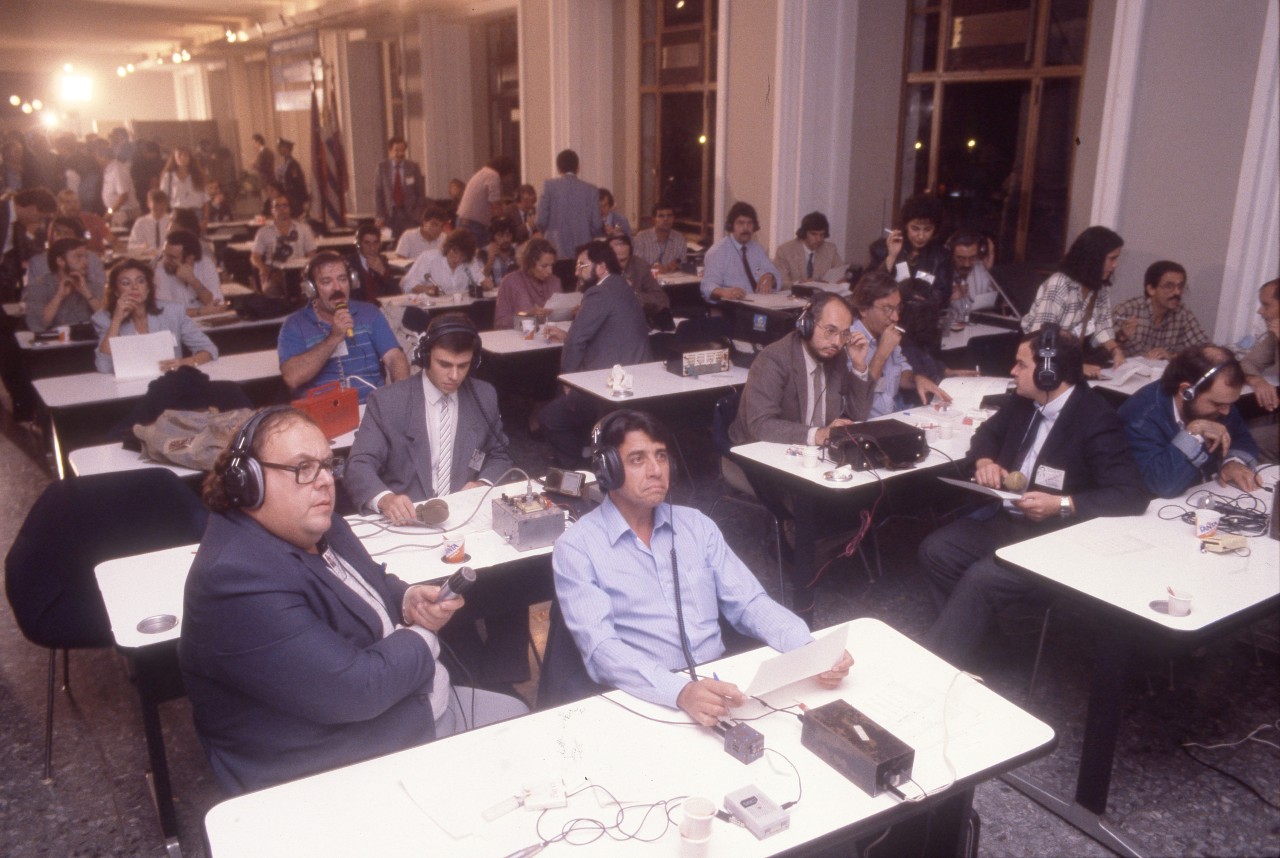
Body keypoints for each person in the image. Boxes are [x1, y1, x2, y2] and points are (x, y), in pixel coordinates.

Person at [180, 406, 527, 795]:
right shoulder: (236, 580)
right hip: (332, 765)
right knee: (517, 752)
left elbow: (375, 580)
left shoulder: (322, 525)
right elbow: (359, 690)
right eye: (303, 468)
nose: (326, 481)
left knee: (522, 725)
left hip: (402, 708)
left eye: (328, 465)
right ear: (250, 480)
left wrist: (408, 598)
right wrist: (422, 635)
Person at [553, 410, 852, 722]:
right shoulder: (576, 548)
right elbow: (601, 649)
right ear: (608, 470)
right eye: (638, 459)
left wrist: (808, 650)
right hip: (644, 696)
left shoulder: (697, 526)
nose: (656, 470)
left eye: (662, 456)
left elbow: (749, 603)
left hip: (717, 685)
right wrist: (679, 692)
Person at [919, 327, 1148, 668]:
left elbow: (1130, 495)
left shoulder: (1095, 418)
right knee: (936, 551)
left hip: (1056, 535)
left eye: (1020, 365)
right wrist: (984, 460)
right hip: (1011, 520)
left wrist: (1064, 505)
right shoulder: (1025, 401)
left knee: (983, 578)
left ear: (1048, 373)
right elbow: (987, 433)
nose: (1013, 372)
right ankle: (984, 648)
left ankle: (936, 667)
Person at [345, 312, 512, 518]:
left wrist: (483, 483)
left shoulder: (484, 395)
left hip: (466, 513)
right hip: (407, 519)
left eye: (463, 366)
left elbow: (499, 454)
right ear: (424, 357)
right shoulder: (387, 401)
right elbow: (359, 465)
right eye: (444, 364)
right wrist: (385, 499)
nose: (454, 376)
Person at [541, 240, 652, 467]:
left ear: (601, 267)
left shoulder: (599, 292)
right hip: (639, 380)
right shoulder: (621, 286)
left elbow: (576, 340)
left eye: (582, 266)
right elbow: (611, 331)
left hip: (609, 387)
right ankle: (591, 450)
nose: (576, 272)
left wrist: (568, 379)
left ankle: (577, 468)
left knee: (550, 417)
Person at [730, 291, 872, 445]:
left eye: (844, 334)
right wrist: (818, 435)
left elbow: (858, 415)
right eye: (830, 331)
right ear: (807, 325)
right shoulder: (774, 358)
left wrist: (859, 366)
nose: (837, 342)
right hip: (759, 451)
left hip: (810, 453)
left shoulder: (837, 357)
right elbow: (760, 425)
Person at [1119, 346, 1260, 496]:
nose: (1227, 412)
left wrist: (1233, 461)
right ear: (1185, 391)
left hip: (1204, 496)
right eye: (1218, 404)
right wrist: (1192, 435)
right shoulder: (1140, 416)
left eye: (1230, 403)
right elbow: (1161, 485)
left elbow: (1241, 437)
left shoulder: (1221, 402)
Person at [278, 252, 409, 403]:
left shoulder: (369, 313)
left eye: (342, 279)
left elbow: (394, 358)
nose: (337, 288)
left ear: (352, 281)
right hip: (322, 415)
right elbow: (292, 378)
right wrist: (334, 337)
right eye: (327, 282)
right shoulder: (294, 324)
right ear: (311, 289)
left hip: (372, 408)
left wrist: (401, 395)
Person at [1021, 225, 1127, 377]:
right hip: (1041, 363)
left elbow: (1102, 326)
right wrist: (1078, 367)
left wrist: (1116, 351)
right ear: (1094, 258)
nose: (1114, 265)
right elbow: (1041, 338)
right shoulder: (1059, 284)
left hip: (1067, 361)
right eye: (1112, 259)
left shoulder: (1100, 288)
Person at [848, 269, 951, 417]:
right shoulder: (850, 341)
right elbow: (859, 401)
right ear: (864, 309)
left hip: (895, 415)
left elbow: (902, 373)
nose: (895, 317)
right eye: (887, 309)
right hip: (867, 424)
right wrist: (881, 355)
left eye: (898, 308)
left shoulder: (886, 334)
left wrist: (916, 379)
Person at [93, 259, 218, 374]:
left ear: (148, 288)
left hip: (169, 383)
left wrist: (185, 362)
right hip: (128, 387)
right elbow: (103, 366)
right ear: (116, 291)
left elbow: (209, 349)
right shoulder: (103, 318)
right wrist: (116, 319)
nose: (134, 287)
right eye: (126, 283)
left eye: (141, 281)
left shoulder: (173, 311)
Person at [1112, 261, 1210, 360]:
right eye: (1169, 286)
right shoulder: (1127, 310)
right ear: (1151, 289)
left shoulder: (1182, 312)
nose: (1177, 292)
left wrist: (1171, 356)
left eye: (1180, 286)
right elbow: (1101, 351)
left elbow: (1205, 351)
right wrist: (1121, 336)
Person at [536, 149, 603, 280]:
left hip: (555, 250)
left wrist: (547, 232)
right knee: (580, 288)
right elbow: (597, 224)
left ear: (558, 167)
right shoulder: (591, 190)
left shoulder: (549, 186)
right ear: (578, 167)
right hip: (582, 253)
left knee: (557, 289)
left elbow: (541, 221)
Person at [700, 201, 782, 302]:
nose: (745, 228)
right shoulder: (718, 251)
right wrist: (724, 292)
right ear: (731, 225)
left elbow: (776, 273)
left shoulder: (756, 248)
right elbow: (707, 285)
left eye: (750, 223)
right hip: (734, 308)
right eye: (740, 223)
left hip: (760, 304)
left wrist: (769, 277)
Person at [25, 237, 103, 332]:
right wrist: (59, 297)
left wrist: (87, 293)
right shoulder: (39, 286)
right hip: (54, 344)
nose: (85, 262)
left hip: (87, 342)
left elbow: (106, 321)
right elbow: (38, 325)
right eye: (78, 256)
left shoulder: (92, 285)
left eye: (86, 257)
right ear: (60, 261)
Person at [1240, 278, 1279, 461]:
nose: (1260, 311)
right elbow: (1247, 363)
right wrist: (1256, 380)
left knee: (1249, 440)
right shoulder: (1275, 334)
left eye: (1266, 305)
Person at [251, 195, 317, 297]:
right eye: (278, 206)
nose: (282, 209)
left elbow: (312, 253)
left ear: (289, 209)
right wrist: (263, 268)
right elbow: (255, 257)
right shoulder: (263, 232)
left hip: (300, 273)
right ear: (272, 210)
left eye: (285, 206)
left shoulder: (303, 229)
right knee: (270, 291)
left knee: (313, 291)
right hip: (275, 273)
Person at [494, 238, 560, 329]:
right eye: (544, 266)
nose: (550, 271)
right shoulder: (510, 282)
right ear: (530, 263)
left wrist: (572, 312)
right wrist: (526, 316)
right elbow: (500, 323)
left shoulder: (555, 282)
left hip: (551, 337)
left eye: (551, 265)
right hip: (520, 339)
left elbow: (559, 319)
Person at [400, 229, 489, 296]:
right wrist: (428, 289)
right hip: (431, 309)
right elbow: (407, 284)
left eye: (463, 256)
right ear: (448, 247)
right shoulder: (429, 258)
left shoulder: (470, 261)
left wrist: (485, 284)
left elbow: (482, 281)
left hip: (462, 308)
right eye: (454, 252)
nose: (457, 259)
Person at [153, 229, 223, 314]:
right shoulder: (161, 268)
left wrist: (194, 281)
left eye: (172, 257)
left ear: (190, 258)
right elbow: (166, 311)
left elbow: (216, 303)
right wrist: (200, 312)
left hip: (206, 322)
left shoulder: (206, 264)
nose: (166, 260)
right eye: (165, 254)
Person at [607, 233, 669, 323]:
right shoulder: (598, 267)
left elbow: (662, 300)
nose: (617, 264)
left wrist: (633, 295)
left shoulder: (640, 266)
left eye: (623, 260)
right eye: (614, 259)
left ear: (630, 256)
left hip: (634, 321)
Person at [457, 155, 516, 248]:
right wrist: (506, 217)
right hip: (474, 225)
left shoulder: (482, 173)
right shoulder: (493, 175)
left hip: (464, 222)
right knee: (481, 256)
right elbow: (495, 203)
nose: (509, 178)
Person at [773, 211, 846, 287]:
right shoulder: (785, 250)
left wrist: (840, 281)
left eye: (822, 235)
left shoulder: (830, 249)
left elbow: (840, 275)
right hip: (792, 295)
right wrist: (800, 284)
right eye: (814, 234)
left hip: (822, 295)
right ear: (804, 233)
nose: (818, 239)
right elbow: (780, 281)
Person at [373, 136, 426, 239]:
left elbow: (420, 192)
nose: (400, 154)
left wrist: (419, 213)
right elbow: (378, 193)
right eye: (397, 150)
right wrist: (379, 216)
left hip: (410, 215)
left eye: (402, 150)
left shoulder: (413, 167)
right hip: (390, 215)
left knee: (411, 241)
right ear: (390, 151)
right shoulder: (382, 168)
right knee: (392, 243)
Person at [945, 230, 1000, 324]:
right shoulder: (939, 271)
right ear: (950, 254)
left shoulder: (983, 269)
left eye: (972, 258)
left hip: (978, 328)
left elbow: (1001, 303)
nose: (967, 264)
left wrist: (991, 271)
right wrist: (946, 297)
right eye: (960, 258)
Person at [346, 222, 397, 303]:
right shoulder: (349, 263)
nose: (372, 248)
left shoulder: (383, 261)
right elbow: (351, 295)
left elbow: (396, 294)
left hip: (382, 308)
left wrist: (383, 272)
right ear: (359, 244)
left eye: (375, 243)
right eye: (367, 243)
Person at [632, 201, 686, 274]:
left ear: (673, 218)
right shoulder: (641, 238)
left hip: (672, 281)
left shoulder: (679, 238)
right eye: (661, 216)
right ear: (653, 219)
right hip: (646, 281)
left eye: (669, 215)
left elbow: (683, 264)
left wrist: (675, 266)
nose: (666, 219)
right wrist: (652, 269)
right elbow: (636, 265)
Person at [55, 188, 113, 255]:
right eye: (68, 202)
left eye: (75, 202)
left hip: (96, 260)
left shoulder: (93, 219)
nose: (73, 206)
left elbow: (113, 241)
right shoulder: (55, 225)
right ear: (60, 205)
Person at [158, 146, 207, 213]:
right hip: (176, 211)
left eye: (185, 155)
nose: (182, 157)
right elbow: (163, 196)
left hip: (195, 211)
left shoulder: (198, 175)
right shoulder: (168, 176)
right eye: (179, 155)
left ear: (190, 157)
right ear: (174, 158)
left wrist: (205, 217)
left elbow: (206, 198)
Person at [128, 189, 172, 254]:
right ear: (148, 204)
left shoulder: (172, 222)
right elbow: (131, 247)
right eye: (155, 209)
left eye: (161, 209)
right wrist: (143, 248)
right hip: (146, 258)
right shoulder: (141, 223)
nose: (158, 213)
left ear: (166, 205)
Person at [275, 137, 309, 219]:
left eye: (280, 147)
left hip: (294, 199)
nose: (278, 149)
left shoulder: (293, 164)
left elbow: (299, 182)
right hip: (287, 197)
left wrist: (304, 199)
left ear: (287, 149)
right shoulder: (285, 163)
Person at [480, 216, 519, 285]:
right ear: (493, 237)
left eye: (508, 235)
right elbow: (480, 281)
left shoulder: (517, 251)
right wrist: (490, 260)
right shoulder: (483, 253)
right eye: (500, 235)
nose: (505, 239)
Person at [250, 133, 275, 200]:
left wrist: (254, 166)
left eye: (254, 143)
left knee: (268, 201)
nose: (253, 146)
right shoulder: (264, 152)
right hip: (266, 182)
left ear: (258, 142)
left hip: (267, 182)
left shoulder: (264, 153)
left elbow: (265, 168)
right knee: (268, 201)